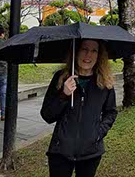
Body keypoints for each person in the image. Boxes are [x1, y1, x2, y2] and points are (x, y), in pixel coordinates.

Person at [40, 39, 117, 177]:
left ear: (99, 55)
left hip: (91, 152)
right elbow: (47, 115)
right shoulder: (61, 78)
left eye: (94, 51)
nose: (88, 55)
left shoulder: (104, 81)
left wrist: (98, 133)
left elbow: (110, 112)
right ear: (76, 52)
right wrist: (64, 95)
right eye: (84, 49)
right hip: (61, 151)